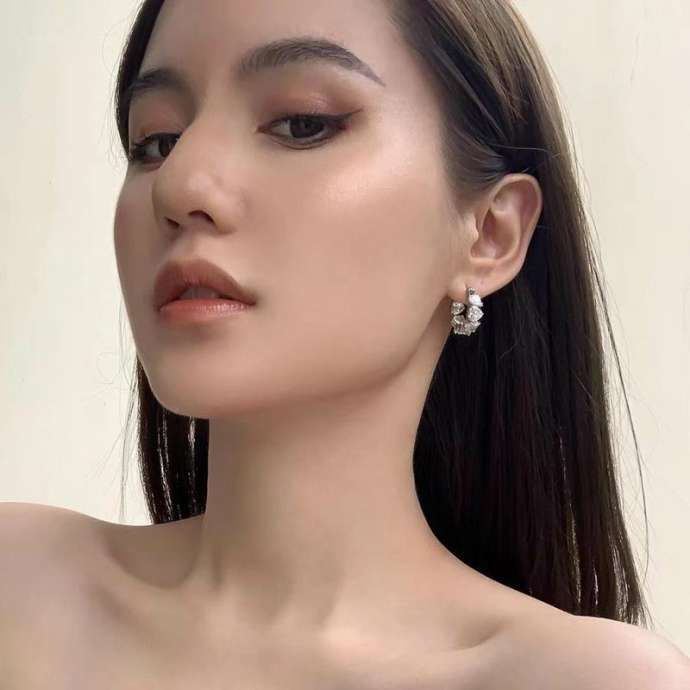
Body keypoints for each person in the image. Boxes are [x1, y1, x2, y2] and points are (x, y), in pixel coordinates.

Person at [2, 0, 688, 687]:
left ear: (489, 234)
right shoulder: (20, 590)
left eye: (302, 124)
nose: (179, 186)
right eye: (157, 141)